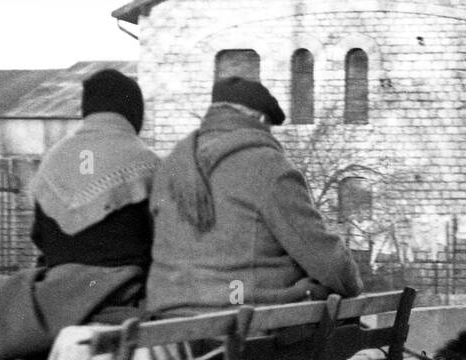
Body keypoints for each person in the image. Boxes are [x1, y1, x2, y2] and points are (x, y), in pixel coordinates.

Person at [145, 76, 362, 315]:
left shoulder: (170, 165)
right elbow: (330, 266)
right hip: (242, 319)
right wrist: (351, 280)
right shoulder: (267, 166)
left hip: (168, 316)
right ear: (259, 119)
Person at [0, 68, 159, 360]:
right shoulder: (147, 162)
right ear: (134, 112)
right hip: (123, 294)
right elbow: (162, 241)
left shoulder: (53, 159)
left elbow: (39, 237)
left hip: (57, 291)